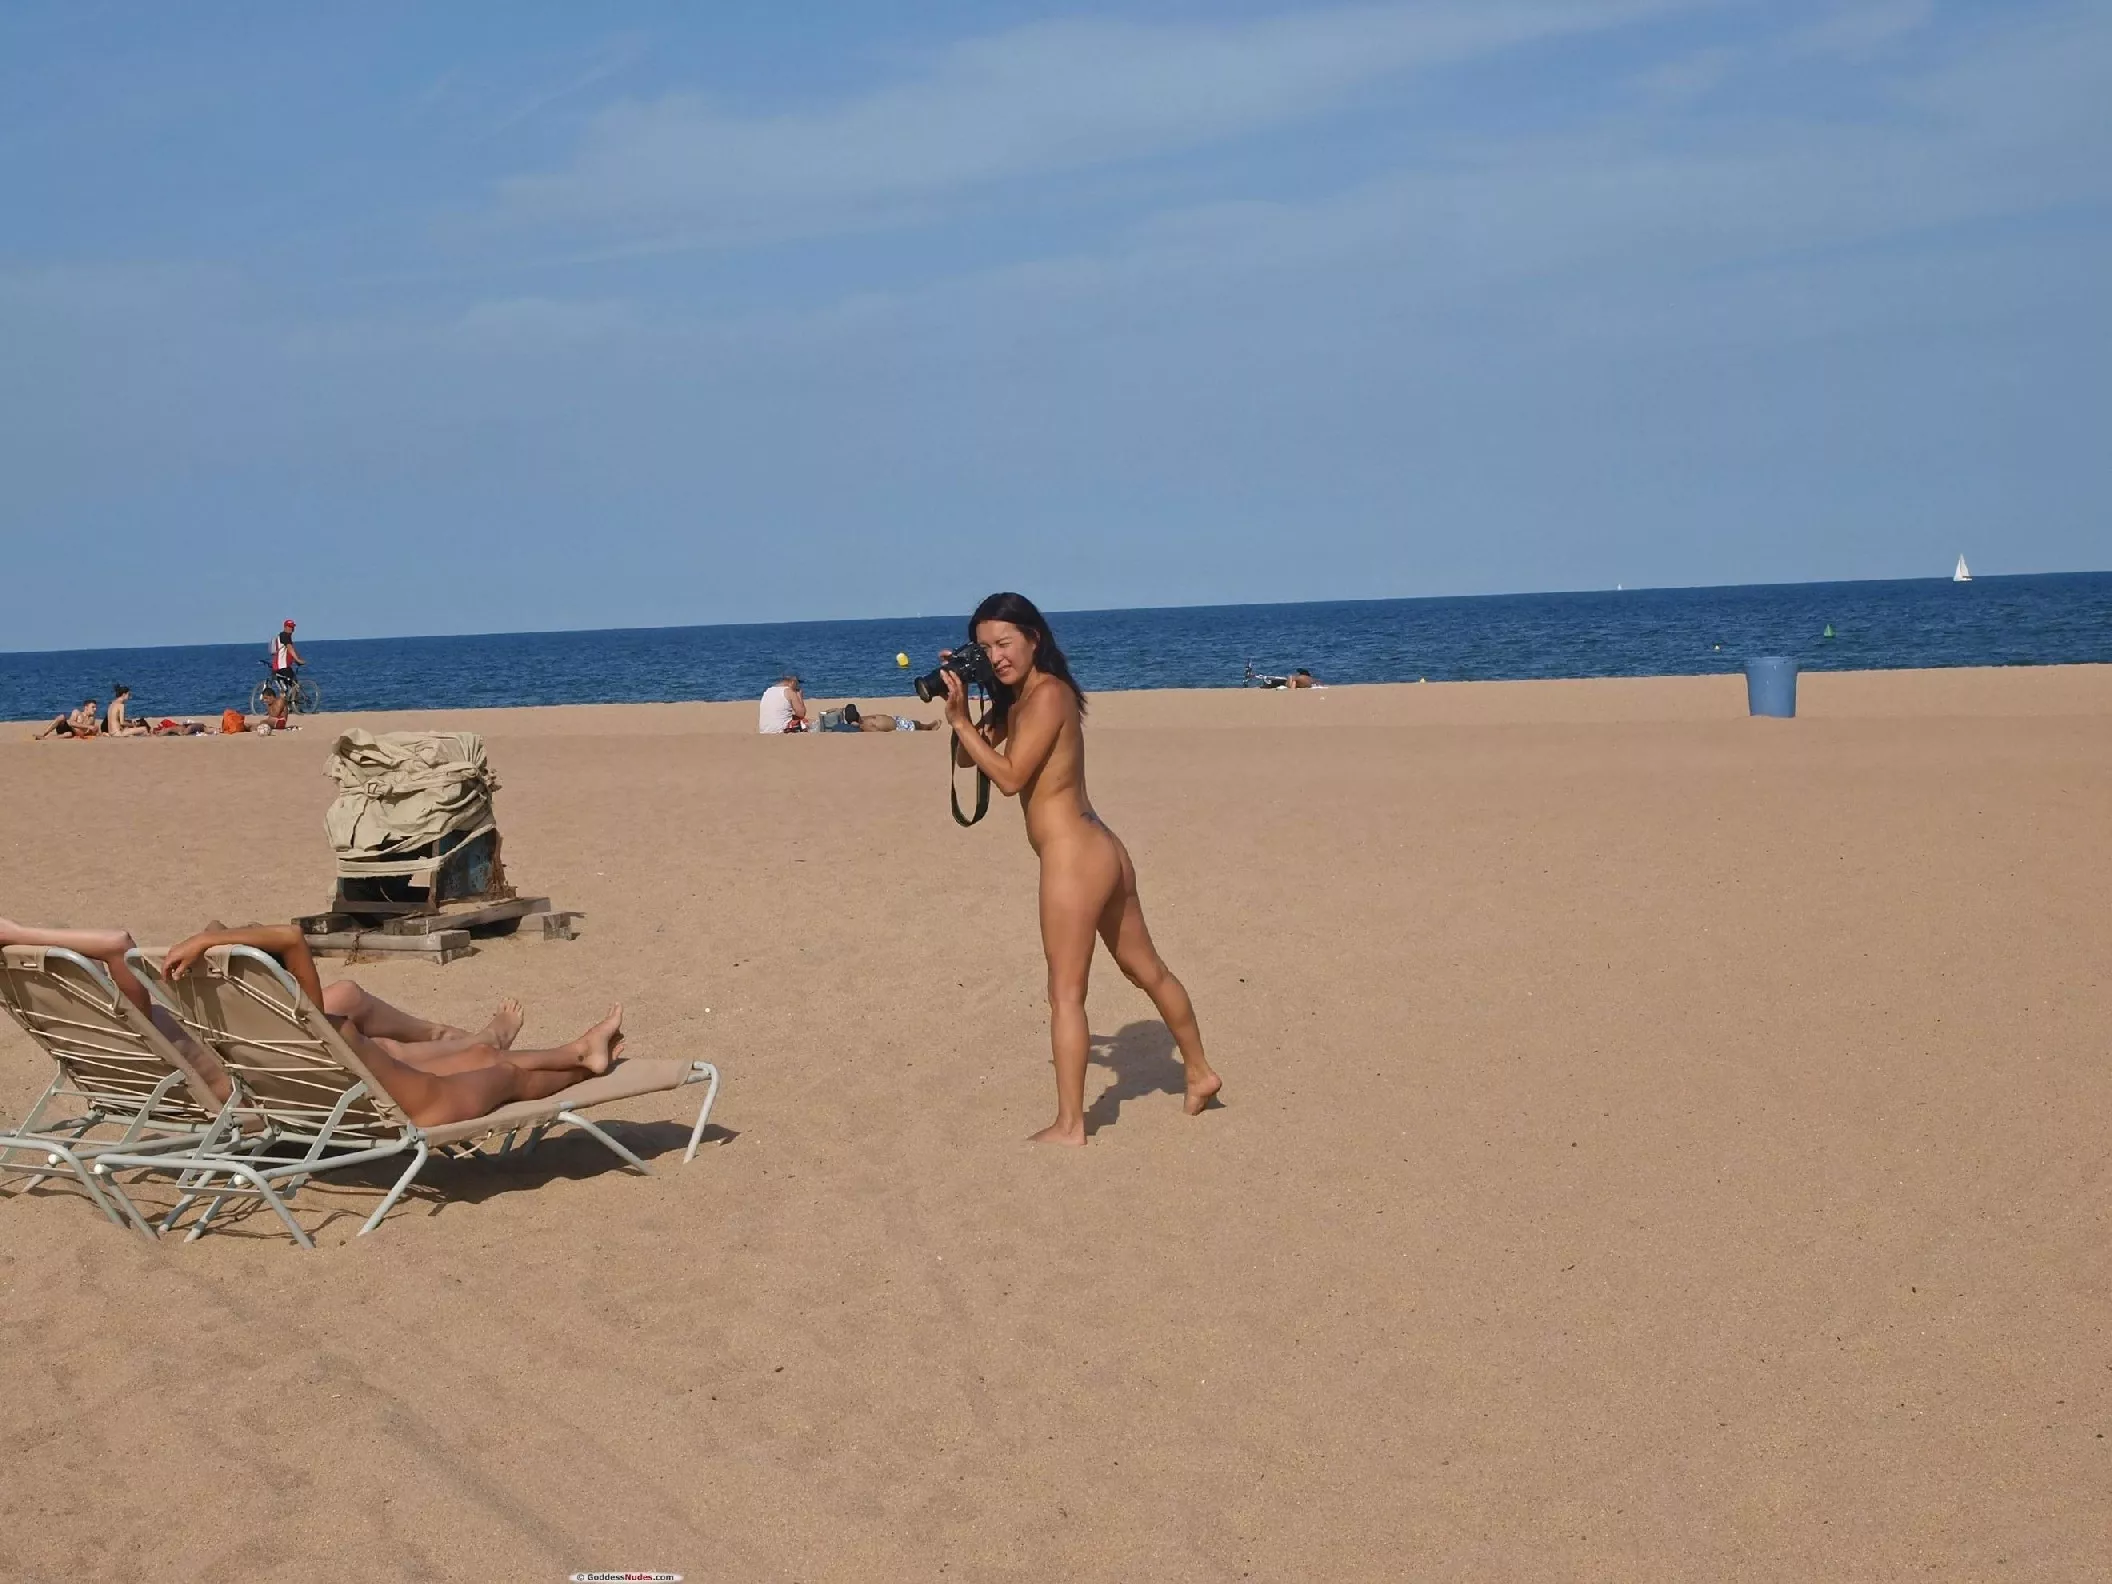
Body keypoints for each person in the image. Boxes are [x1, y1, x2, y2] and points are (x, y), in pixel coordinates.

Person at [939, 592, 1221, 1145]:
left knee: (1065, 995)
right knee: (1147, 971)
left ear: (1033, 638)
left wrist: (959, 721)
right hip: (1100, 850)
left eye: (1004, 643)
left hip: (1073, 858)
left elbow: (1012, 777)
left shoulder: (1047, 696)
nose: (996, 656)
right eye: (984, 649)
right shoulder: (1017, 701)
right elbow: (967, 758)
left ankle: (1071, 1125)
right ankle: (1200, 1071)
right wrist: (966, 710)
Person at [0, 917, 624, 1127]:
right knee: (496, 1076)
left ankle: (571, 1048)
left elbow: (115, 949)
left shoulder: (137, 1034)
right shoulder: (204, 1026)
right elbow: (118, 940)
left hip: (297, 1084)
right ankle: (578, 1056)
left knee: (475, 1062)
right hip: (325, 1095)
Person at [825, 702, 943, 733]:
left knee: (914, 723)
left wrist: (832, 710)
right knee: (915, 724)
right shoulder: (865, 726)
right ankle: (929, 727)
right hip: (897, 726)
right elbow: (877, 733)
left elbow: (843, 709)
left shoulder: (861, 719)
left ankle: (927, 726)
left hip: (896, 720)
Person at [268, 620, 304, 695]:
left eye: (292, 627)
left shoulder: (280, 636)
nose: (291, 629)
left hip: (276, 668)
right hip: (283, 667)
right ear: (285, 627)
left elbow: (290, 651)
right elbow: (290, 649)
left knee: (284, 690)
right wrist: (298, 660)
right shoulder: (285, 636)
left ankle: (287, 705)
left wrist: (296, 659)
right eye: (289, 627)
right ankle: (294, 704)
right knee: (295, 685)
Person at [35, 699, 100, 739]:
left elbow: (89, 732)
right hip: (67, 727)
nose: (95, 709)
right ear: (86, 707)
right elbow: (71, 723)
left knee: (69, 734)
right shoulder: (77, 712)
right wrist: (88, 727)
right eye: (93, 707)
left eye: (95, 707)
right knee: (62, 717)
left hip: (73, 733)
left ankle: (48, 738)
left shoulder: (92, 718)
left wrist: (94, 731)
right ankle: (44, 733)